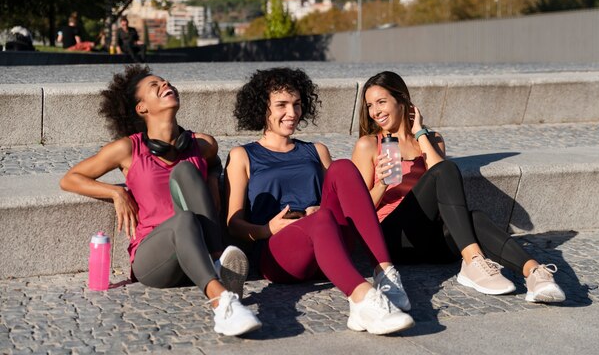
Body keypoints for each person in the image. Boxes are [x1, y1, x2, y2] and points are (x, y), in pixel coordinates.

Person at [59, 64, 261, 336]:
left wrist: (212, 178)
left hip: (197, 251)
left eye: (167, 82)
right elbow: (70, 178)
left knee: (186, 171)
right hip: (155, 259)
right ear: (142, 108)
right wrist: (116, 192)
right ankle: (222, 302)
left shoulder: (202, 145)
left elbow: (213, 163)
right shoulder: (129, 149)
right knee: (185, 220)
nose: (166, 85)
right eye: (155, 86)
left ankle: (216, 262)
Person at [224, 67, 415, 335]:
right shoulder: (243, 155)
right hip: (281, 254)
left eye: (297, 104)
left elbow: (343, 200)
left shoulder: (316, 150)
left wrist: (381, 183)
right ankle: (363, 300)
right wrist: (268, 229)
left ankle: (385, 274)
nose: (292, 113)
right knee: (322, 217)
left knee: (344, 168)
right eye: (281, 105)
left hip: (330, 242)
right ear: (261, 108)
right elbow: (233, 224)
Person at [351, 71, 566, 304]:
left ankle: (535, 274)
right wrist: (382, 184)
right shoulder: (369, 145)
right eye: (370, 105)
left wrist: (419, 133)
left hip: (433, 245)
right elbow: (355, 212)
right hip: (393, 237)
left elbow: (443, 178)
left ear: (402, 99)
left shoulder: (432, 139)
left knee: (475, 217)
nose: (375, 111)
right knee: (446, 171)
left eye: (381, 102)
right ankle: (474, 260)